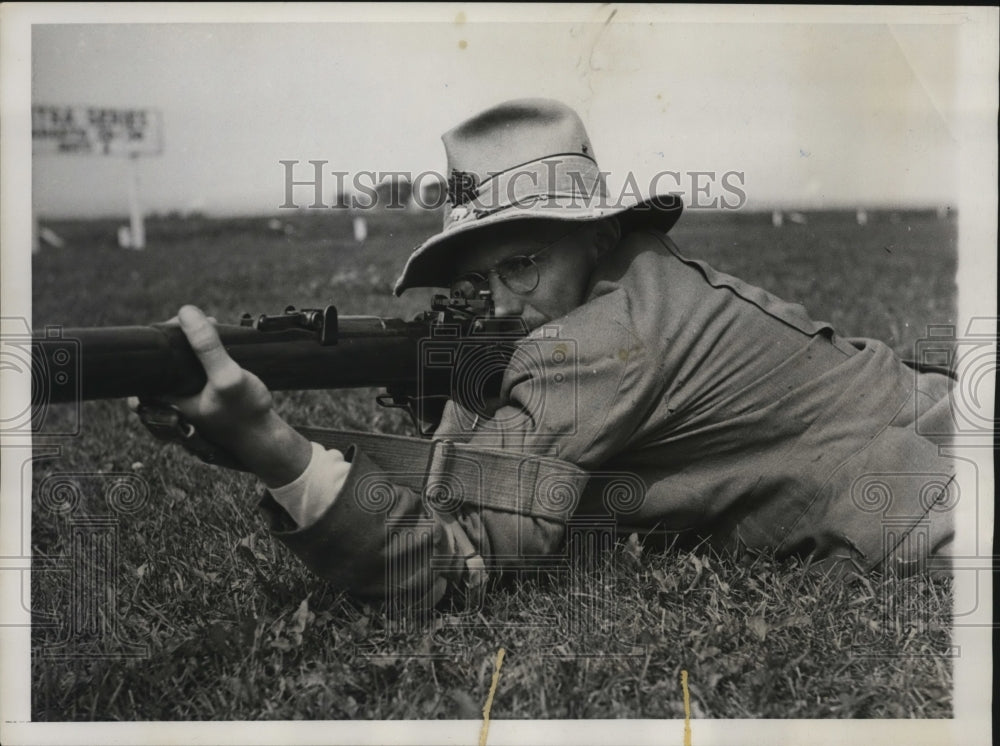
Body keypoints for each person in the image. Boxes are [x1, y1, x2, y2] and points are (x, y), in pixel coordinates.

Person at [134, 99, 956, 608]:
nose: (495, 303)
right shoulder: (644, 282)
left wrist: (279, 454)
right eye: (479, 276)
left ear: (596, 234)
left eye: (521, 263)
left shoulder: (587, 347)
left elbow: (453, 570)